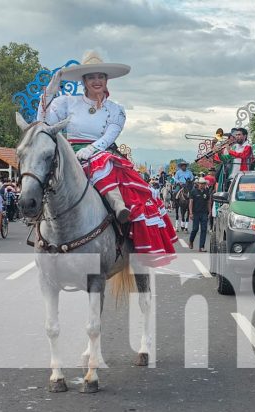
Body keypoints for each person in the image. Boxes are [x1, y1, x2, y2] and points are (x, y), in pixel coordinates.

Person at [37, 51, 177, 263]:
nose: (96, 81)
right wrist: (49, 93)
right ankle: (37, 214)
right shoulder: (67, 102)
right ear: (84, 81)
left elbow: (111, 134)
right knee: (42, 173)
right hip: (71, 151)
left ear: (106, 80)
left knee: (123, 182)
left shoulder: (115, 109)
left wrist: (92, 150)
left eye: (100, 77)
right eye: (91, 77)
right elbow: (43, 123)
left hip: (102, 152)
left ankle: (121, 216)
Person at [188, 178, 211, 252]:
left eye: (203, 183)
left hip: (204, 213)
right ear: (198, 184)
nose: (202, 185)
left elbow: (208, 202)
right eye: (200, 183)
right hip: (196, 213)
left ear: (205, 184)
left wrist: (210, 212)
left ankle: (201, 247)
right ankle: (191, 241)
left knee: (204, 230)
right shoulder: (193, 191)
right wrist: (191, 213)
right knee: (195, 229)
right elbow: (191, 203)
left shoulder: (207, 191)